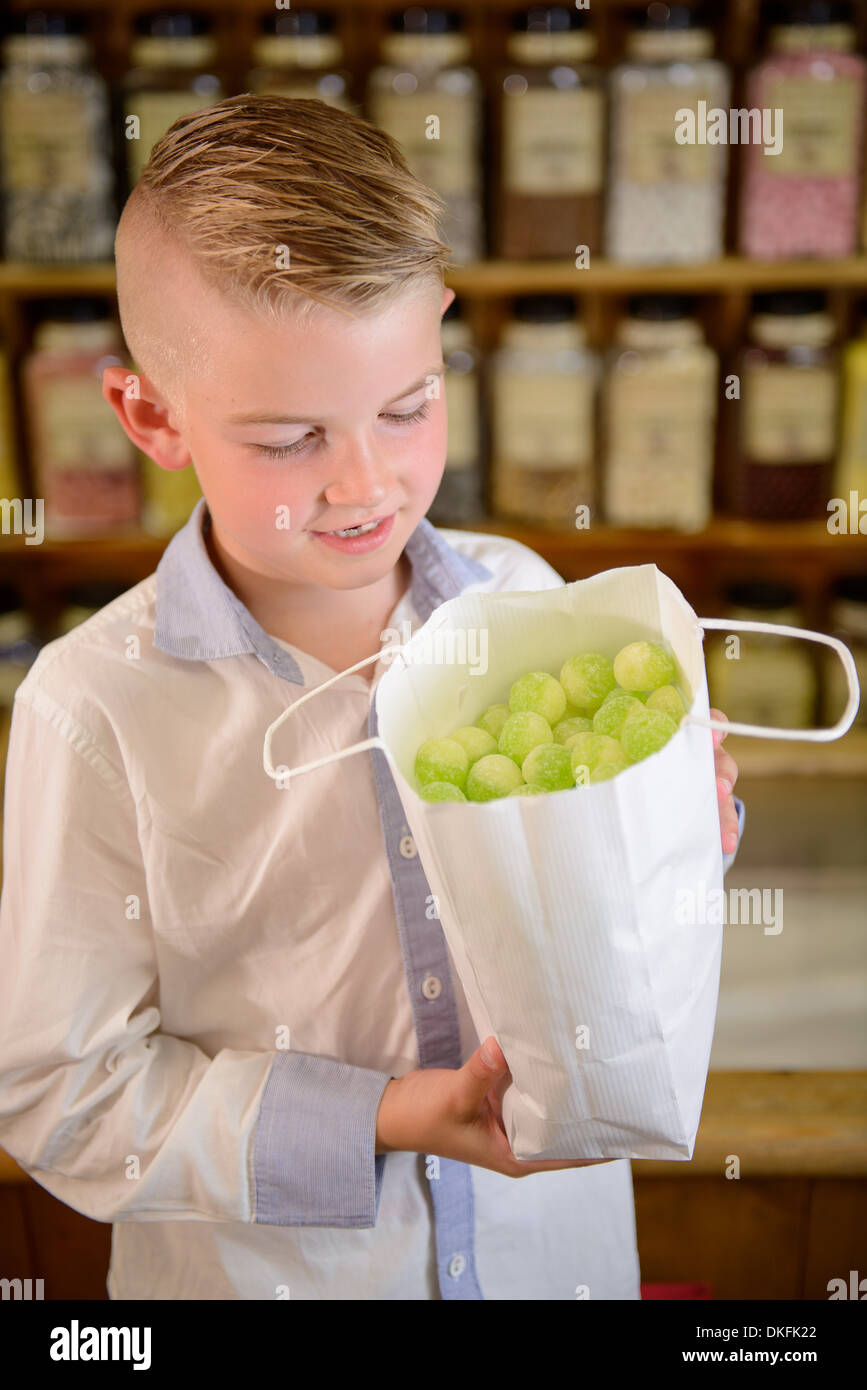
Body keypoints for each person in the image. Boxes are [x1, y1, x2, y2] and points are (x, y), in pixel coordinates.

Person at [0, 95, 744, 1300]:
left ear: (440, 336)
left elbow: (603, 923)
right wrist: (390, 1115)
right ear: (148, 414)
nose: (365, 483)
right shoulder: (95, 709)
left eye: (406, 409)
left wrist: (682, 828)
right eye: (290, 438)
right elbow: (63, 1093)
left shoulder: (530, 606)